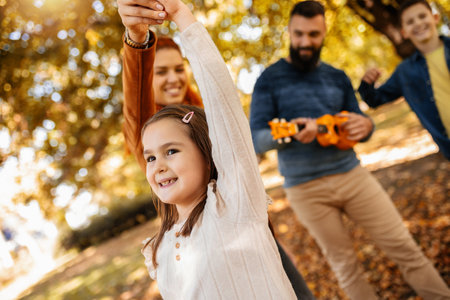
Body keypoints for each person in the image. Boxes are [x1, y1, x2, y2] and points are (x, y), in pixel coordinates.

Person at [249, 1, 450, 299]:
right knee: (345, 266)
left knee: (404, 247)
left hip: (352, 175)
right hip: (306, 190)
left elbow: (361, 121)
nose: (305, 42)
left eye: (313, 35)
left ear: (324, 32)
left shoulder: (337, 76)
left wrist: (366, 127)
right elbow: (257, 138)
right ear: (290, 31)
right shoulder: (269, 79)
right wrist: (289, 135)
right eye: (299, 34)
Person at [117, 0, 315, 298]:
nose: (173, 78)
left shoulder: (208, 122)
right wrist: (137, 41)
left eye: (178, 68)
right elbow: (135, 104)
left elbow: (223, 104)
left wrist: (184, 18)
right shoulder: (147, 129)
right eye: (160, 72)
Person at [358, 0, 450, 160]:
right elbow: (375, 99)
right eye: (410, 22)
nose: (418, 23)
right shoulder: (405, 72)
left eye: (422, 16)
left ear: (435, 18)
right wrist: (366, 85)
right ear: (404, 32)